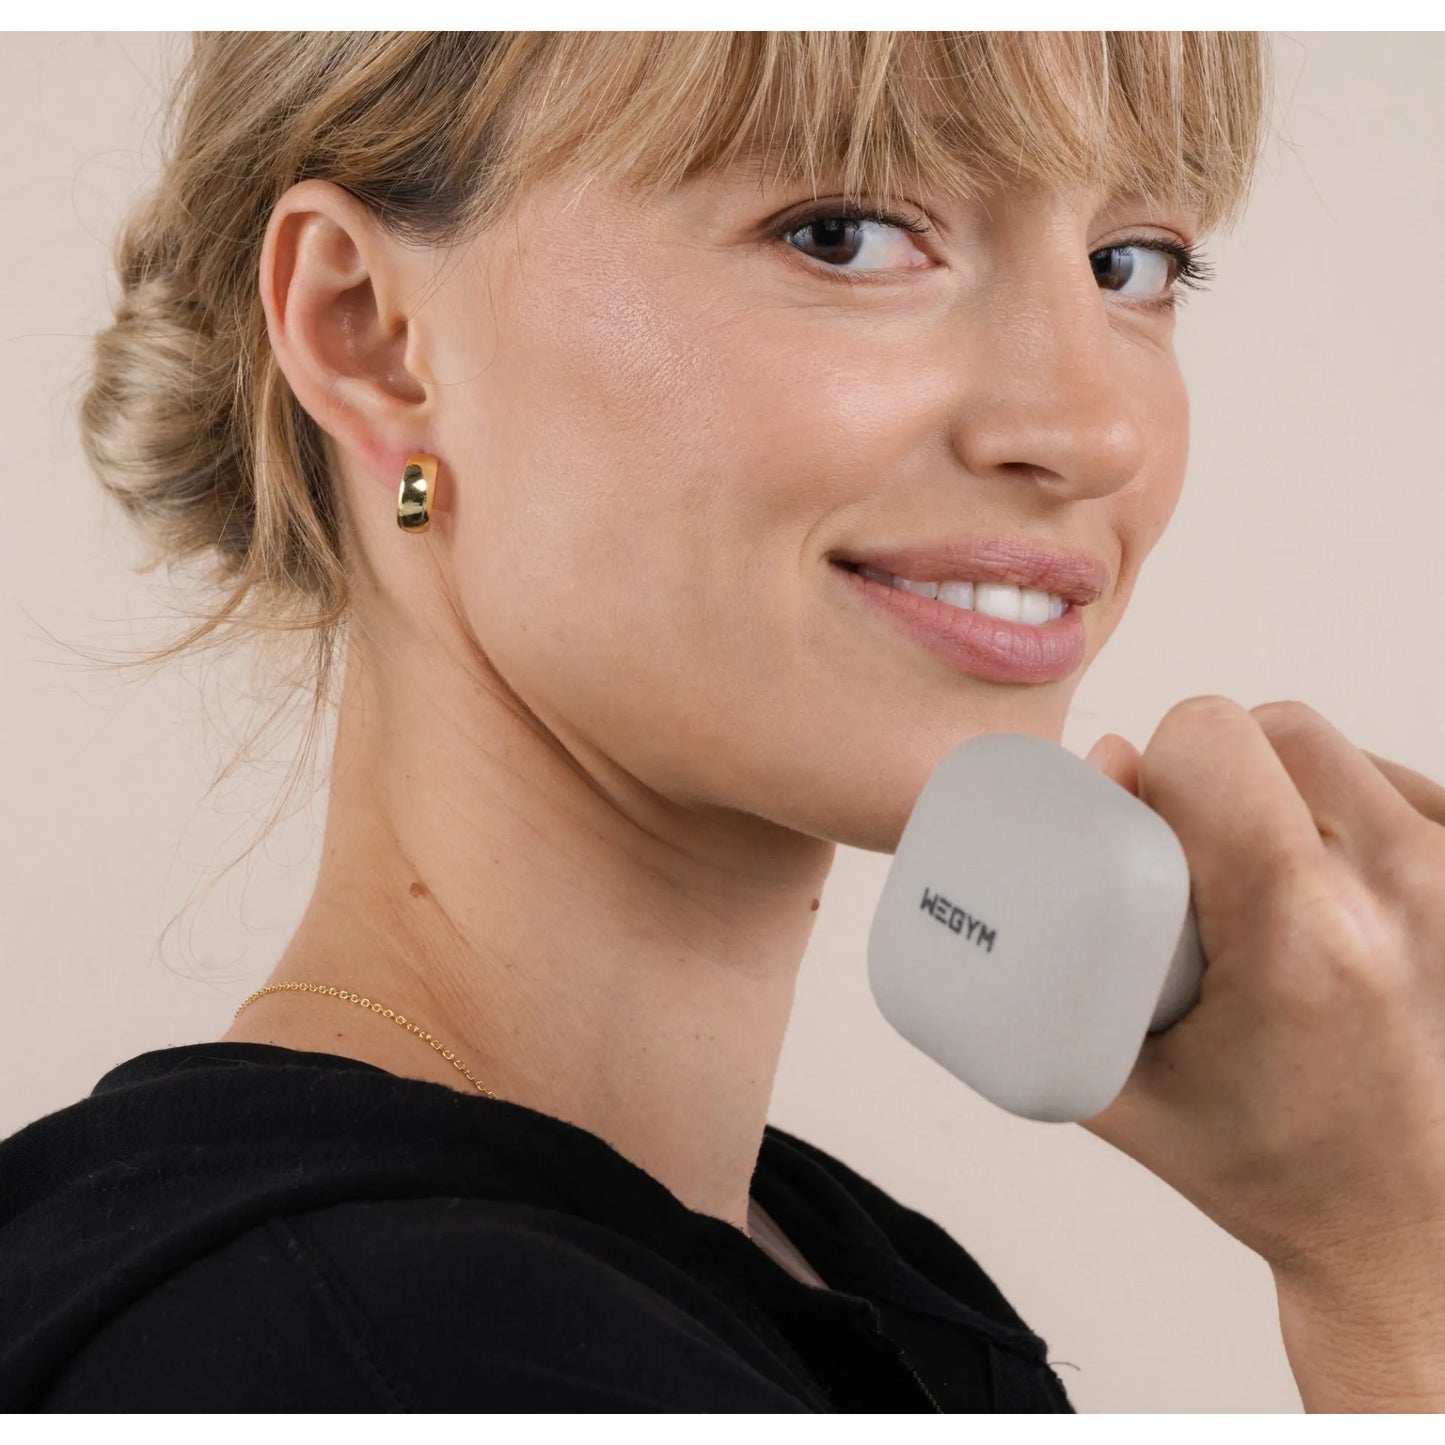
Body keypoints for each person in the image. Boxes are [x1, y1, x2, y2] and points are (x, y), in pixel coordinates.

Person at [0, 32, 1271, 1411]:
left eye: (1128, 264)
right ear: (369, 337)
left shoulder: (821, 1263)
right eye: (842, 235)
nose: (1093, 431)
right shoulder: (388, 1357)